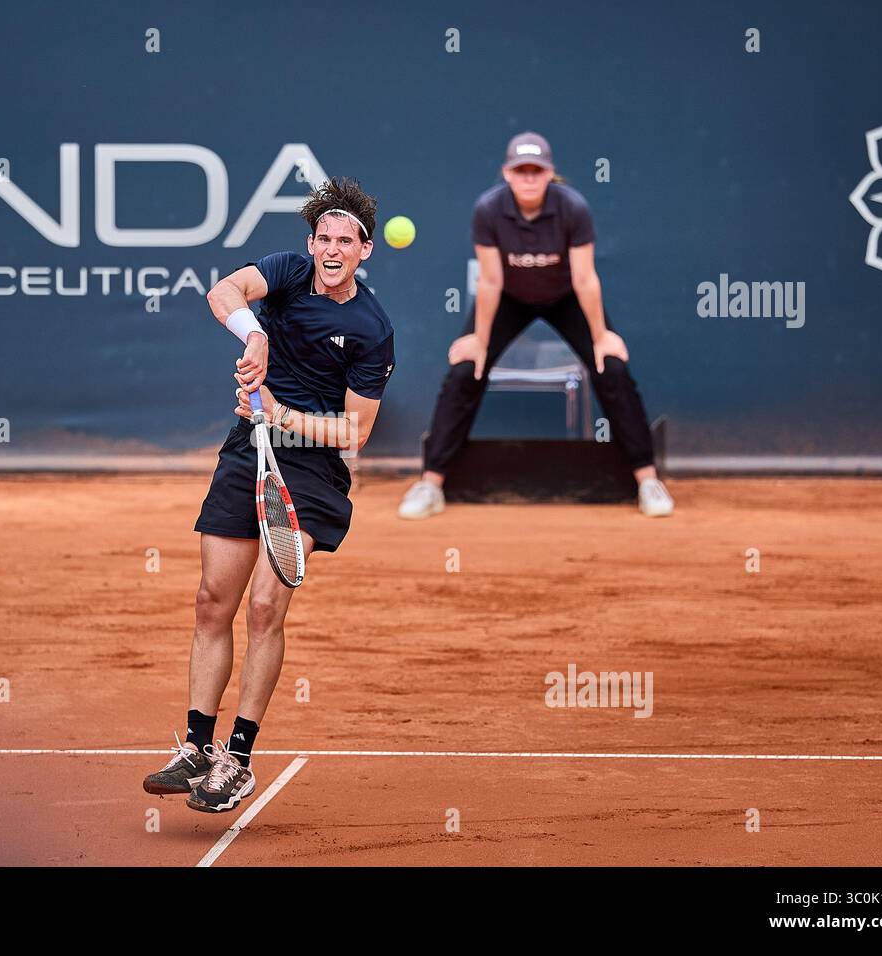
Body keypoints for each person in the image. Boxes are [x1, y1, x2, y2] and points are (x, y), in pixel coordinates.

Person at [143, 178, 396, 813]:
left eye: (347, 240)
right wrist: (254, 335)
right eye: (324, 238)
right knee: (211, 602)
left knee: (263, 607)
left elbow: (355, 432)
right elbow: (222, 291)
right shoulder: (284, 274)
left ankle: (239, 757)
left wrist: (283, 416)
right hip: (246, 451)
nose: (333, 249)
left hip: (312, 473)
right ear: (311, 243)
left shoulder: (371, 328)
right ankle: (197, 745)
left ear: (366, 250)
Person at [398, 132, 674, 520]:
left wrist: (600, 336)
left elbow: (584, 278)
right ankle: (431, 484)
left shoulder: (573, 207)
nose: (529, 178)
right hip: (508, 295)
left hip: (566, 296)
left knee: (610, 367)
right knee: (465, 370)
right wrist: (478, 340)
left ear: (549, 174)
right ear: (507, 173)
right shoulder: (488, 210)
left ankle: (647, 480)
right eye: (521, 170)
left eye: (536, 171)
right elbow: (491, 281)